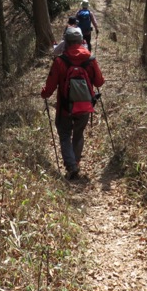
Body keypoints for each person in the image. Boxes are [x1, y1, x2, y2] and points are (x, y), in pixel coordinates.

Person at [41, 26, 105, 180]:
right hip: (85, 106)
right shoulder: (90, 59)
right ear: (81, 41)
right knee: (78, 134)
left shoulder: (60, 61)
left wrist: (44, 94)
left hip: (65, 107)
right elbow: (100, 82)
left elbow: (50, 87)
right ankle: (75, 161)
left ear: (66, 42)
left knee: (64, 135)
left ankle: (71, 165)